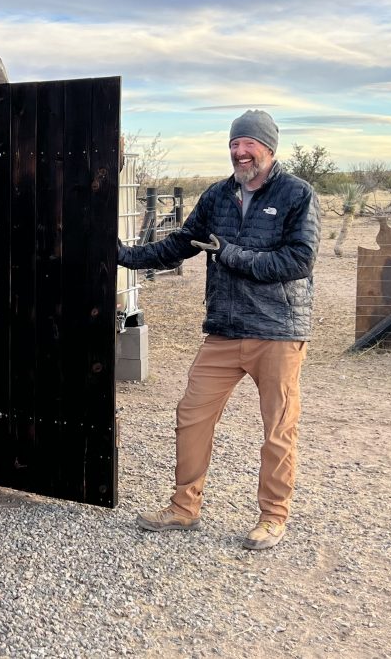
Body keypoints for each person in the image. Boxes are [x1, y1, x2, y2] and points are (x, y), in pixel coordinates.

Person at [117, 109, 320, 550]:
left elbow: (298, 261)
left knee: (278, 429)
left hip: (278, 331)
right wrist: (125, 256)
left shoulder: (296, 194)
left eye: (249, 144)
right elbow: (180, 244)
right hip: (225, 330)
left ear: (269, 148)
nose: (240, 152)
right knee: (192, 416)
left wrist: (230, 253)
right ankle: (184, 507)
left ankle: (272, 517)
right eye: (234, 144)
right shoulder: (218, 196)